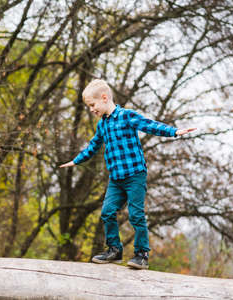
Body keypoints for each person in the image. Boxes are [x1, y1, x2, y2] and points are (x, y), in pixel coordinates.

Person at [60, 79, 196, 269]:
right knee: (107, 212)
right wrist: (76, 160)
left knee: (135, 214)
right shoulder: (102, 125)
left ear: (104, 98)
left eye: (92, 105)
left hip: (134, 176)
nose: (91, 109)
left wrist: (174, 131)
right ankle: (114, 250)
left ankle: (142, 254)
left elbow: (150, 125)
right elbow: (92, 147)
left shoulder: (126, 116)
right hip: (116, 179)